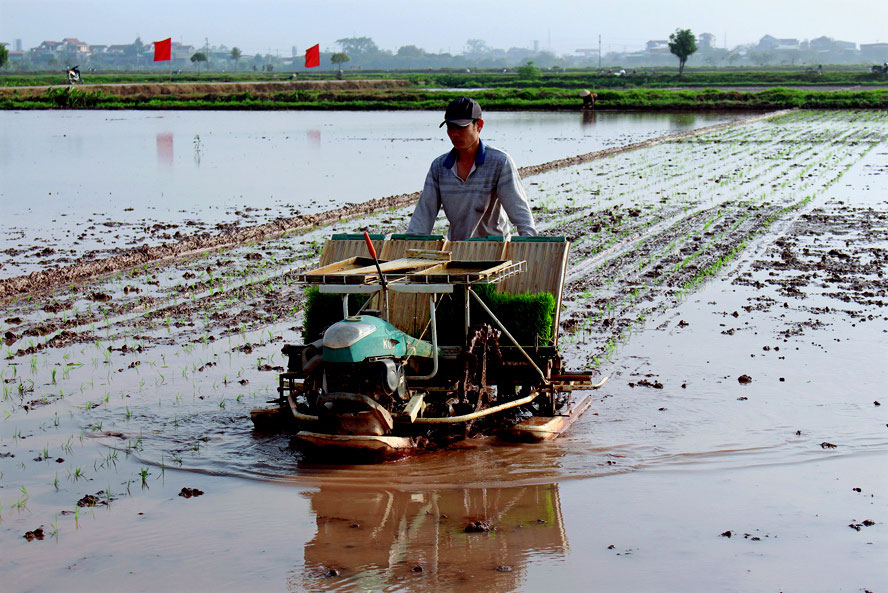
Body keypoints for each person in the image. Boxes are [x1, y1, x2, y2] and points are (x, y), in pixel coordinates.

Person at [405, 97, 536, 241]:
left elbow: (519, 210)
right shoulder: (439, 167)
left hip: (495, 248)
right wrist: (410, 244)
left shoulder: (499, 163)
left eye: (461, 127)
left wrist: (530, 244)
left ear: (479, 125)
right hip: (458, 248)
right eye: (450, 127)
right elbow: (424, 214)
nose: (455, 134)